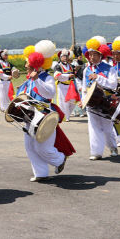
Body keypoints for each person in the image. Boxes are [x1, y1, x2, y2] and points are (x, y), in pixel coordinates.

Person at [17, 46, 75, 181]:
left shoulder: (46, 78)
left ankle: (60, 159)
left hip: (45, 117)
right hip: (29, 117)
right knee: (30, 147)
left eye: (28, 64)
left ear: (35, 66)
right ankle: (40, 173)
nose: (26, 66)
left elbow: (49, 93)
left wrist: (37, 80)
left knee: (42, 147)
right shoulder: (28, 81)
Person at [80, 38, 119, 160]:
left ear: (100, 55)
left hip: (105, 101)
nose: (91, 57)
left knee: (107, 127)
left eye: (94, 54)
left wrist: (98, 77)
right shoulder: (86, 69)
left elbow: (113, 85)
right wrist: (83, 100)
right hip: (91, 103)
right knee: (93, 127)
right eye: (90, 54)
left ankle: (113, 147)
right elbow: (84, 86)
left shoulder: (109, 68)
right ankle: (96, 152)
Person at [53, 49, 80, 122]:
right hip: (62, 86)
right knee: (64, 102)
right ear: (60, 58)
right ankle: (65, 117)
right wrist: (68, 76)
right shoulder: (58, 66)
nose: (65, 58)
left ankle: (67, 114)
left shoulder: (71, 66)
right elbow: (58, 76)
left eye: (66, 56)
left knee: (73, 101)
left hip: (71, 86)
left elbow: (76, 75)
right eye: (63, 56)